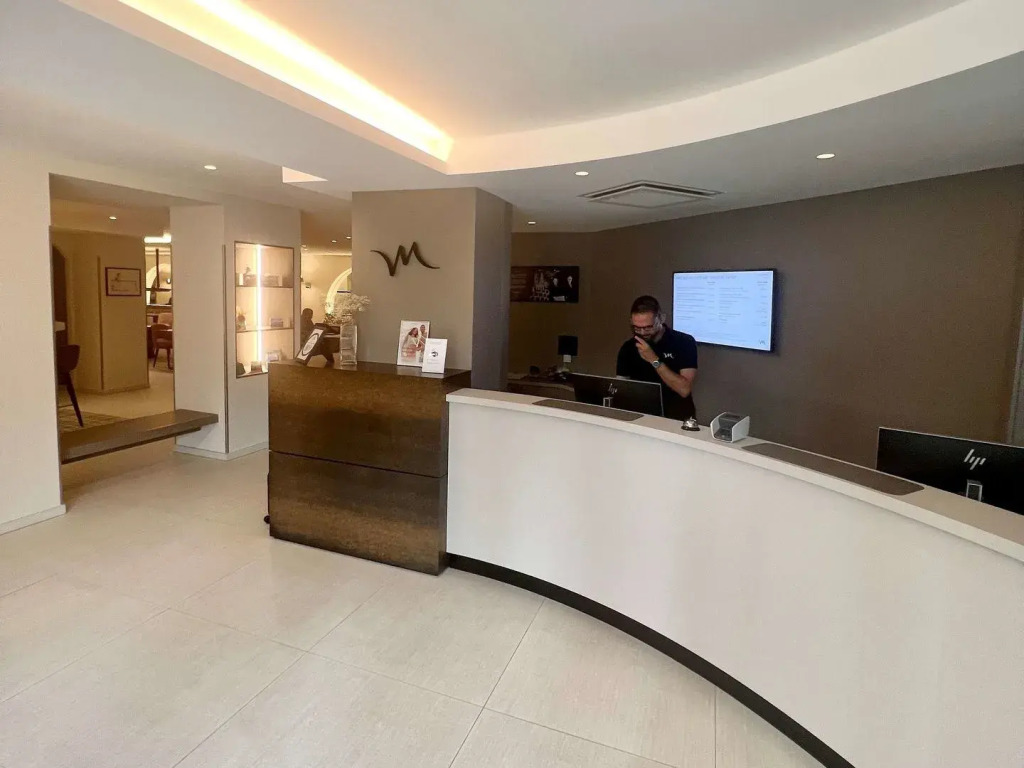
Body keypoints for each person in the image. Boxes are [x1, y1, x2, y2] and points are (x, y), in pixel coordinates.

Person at [616, 295, 698, 421]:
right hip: (641, 417)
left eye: (648, 327)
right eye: (637, 328)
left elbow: (684, 389)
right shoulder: (628, 348)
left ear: (661, 319)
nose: (642, 333)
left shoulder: (684, 342)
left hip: (677, 417)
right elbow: (621, 388)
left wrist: (654, 360)